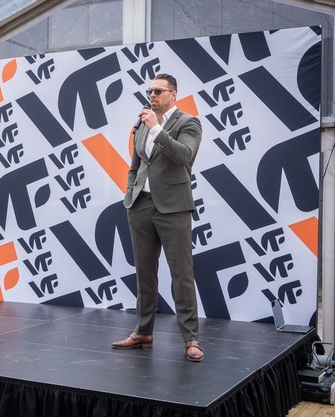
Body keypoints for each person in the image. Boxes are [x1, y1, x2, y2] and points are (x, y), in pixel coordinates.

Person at [111, 74, 203, 361]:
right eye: (150, 90)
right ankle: (143, 331)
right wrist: (130, 194)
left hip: (174, 207)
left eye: (158, 91)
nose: (152, 95)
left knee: (181, 275)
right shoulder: (141, 124)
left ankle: (191, 339)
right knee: (144, 273)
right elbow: (136, 164)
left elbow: (184, 156)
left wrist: (156, 129)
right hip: (140, 205)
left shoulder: (188, 122)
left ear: (173, 94)